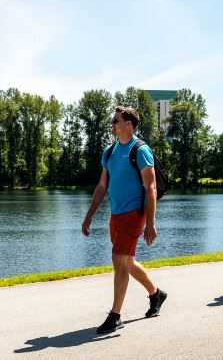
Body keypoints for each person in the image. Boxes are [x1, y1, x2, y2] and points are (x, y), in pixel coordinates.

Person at [82, 106, 167, 334]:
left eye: (116, 120)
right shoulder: (109, 152)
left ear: (128, 123)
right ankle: (156, 294)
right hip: (116, 214)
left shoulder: (140, 150)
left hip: (134, 214)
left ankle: (115, 315)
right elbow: (102, 186)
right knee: (127, 262)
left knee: (119, 259)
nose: (112, 123)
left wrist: (150, 222)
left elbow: (151, 188)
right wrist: (88, 216)